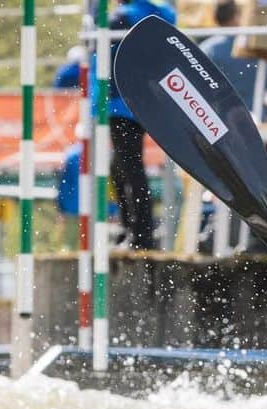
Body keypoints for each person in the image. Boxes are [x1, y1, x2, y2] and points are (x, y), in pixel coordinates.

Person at [103, 0, 176, 249]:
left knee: (131, 167)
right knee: (120, 166)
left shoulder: (121, 17)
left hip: (122, 102)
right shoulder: (163, 14)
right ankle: (133, 229)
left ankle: (141, 233)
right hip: (149, 100)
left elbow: (103, 56)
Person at [201, 0, 260, 109]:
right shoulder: (254, 47)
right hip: (254, 114)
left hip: (220, 115)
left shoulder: (206, 49)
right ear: (236, 16)